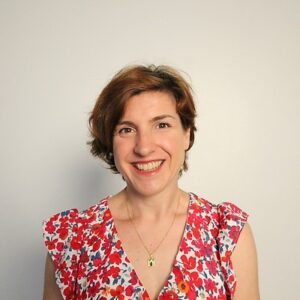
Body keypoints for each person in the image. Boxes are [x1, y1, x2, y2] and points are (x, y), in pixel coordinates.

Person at [43, 65, 260, 300]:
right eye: (126, 129)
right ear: (110, 141)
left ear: (186, 134)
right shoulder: (73, 240)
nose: (144, 147)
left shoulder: (226, 235)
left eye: (162, 125)